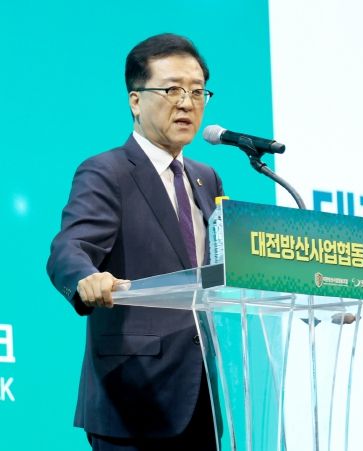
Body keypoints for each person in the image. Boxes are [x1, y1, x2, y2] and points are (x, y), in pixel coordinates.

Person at [47, 33, 223, 450]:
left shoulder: (207, 178)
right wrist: (86, 279)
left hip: (205, 397)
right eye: (172, 89)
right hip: (133, 397)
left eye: (197, 91)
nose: (187, 103)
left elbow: (226, 271)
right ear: (136, 101)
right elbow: (69, 248)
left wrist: (309, 300)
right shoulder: (107, 172)